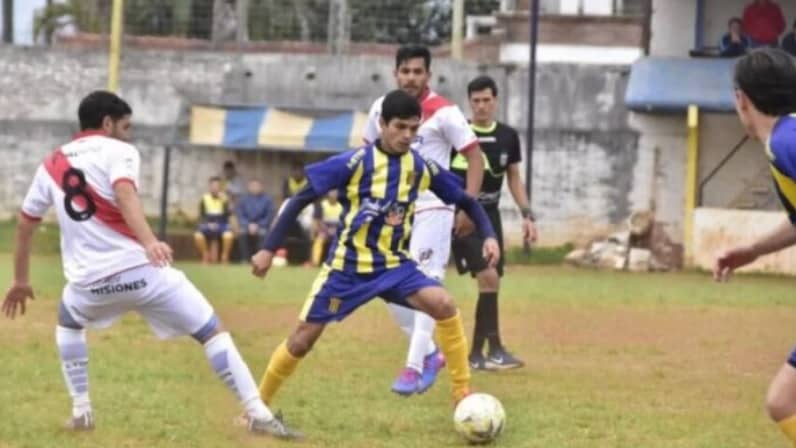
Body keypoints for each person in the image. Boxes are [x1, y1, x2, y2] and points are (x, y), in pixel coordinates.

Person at [0, 91, 298, 438]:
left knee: (68, 320)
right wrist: (150, 242)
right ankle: (258, 414)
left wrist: (20, 280)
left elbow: (25, 223)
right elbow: (125, 193)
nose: (129, 134)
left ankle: (81, 412)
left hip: (88, 285)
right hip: (142, 274)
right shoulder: (120, 150)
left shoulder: (50, 164)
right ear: (107, 123)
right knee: (210, 331)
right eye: (126, 126)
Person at [249, 89, 500, 415]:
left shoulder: (419, 166)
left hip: (394, 265)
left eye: (414, 128)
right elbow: (300, 199)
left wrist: (489, 235)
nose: (407, 135)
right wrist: (268, 250)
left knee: (444, 304)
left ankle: (461, 393)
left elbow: (465, 200)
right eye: (400, 127)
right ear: (382, 124)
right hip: (347, 268)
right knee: (301, 341)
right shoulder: (354, 162)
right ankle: (257, 407)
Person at [363, 45, 485, 396]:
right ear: (396, 73)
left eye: (418, 72)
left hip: (435, 207)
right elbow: (367, 155)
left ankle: (414, 366)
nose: (411, 77)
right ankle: (432, 354)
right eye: (406, 71)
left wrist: (468, 207)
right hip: (393, 213)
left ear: (428, 75)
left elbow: (474, 158)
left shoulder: (445, 113)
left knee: (427, 285)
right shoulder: (381, 109)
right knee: (387, 287)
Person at [712, 48, 796, 446]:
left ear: (741, 98)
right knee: (783, 401)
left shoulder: (787, 141)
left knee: (784, 401)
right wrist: (754, 251)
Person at [451, 76, 538, 370]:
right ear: (469, 102)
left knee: (492, 282)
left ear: (495, 100)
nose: (481, 106)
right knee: (488, 277)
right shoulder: (459, 135)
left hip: (492, 216)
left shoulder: (508, 137)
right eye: (476, 101)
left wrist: (526, 213)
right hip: (464, 218)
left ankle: (485, 352)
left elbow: (513, 177)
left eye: (486, 100)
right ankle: (485, 351)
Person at [193, 177, 235, 264]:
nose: (215, 188)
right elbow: (201, 215)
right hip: (207, 224)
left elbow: (229, 214)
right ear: (210, 187)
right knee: (198, 235)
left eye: (217, 186)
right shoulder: (204, 198)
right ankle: (205, 255)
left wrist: (228, 201)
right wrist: (208, 223)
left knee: (228, 236)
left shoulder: (225, 198)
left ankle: (224, 256)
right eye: (213, 186)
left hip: (221, 224)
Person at [236, 179, 275, 262]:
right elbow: (240, 214)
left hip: (262, 226)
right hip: (246, 226)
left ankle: (259, 259)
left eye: (257, 186)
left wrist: (258, 225)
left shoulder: (267, 200)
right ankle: (244, 259)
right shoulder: (243, 199)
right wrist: (248, 225)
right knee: (242, 233)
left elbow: (269, 215)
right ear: (249, 187)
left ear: (261, 187)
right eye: (253, 186)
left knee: (263, 233)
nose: (255, 188)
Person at [310, 190, 343, 267]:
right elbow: (317, 220)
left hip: (337, 230)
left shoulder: (341, 205)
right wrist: (320, 230)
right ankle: (315, 262)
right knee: (319, 240)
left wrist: (336, 230)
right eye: (332, 193)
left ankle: (336, 264)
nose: (333, 195)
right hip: (324, 229)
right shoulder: (322, 205)